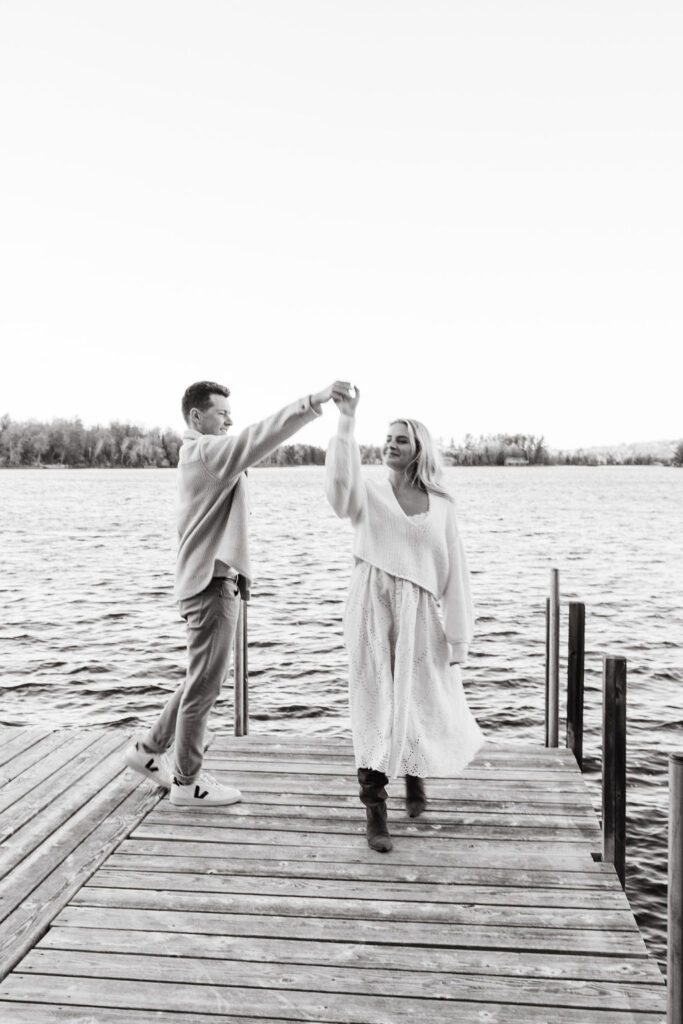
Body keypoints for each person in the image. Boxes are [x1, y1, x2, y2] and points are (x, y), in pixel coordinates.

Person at [126, 378, 351, 807]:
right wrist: (313, 401)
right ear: (196, 416)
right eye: (220, 411)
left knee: (201, 678)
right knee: (204, 687)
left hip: (206, 580)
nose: (230, 418)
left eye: (230, 411)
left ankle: (148, 750)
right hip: (211, 586)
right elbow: (261, 436)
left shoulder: (195, 455)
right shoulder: (208, 453)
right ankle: (188, 783)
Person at [325, 386, 484, 851]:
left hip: (420, 612)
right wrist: (346, 420)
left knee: (419, 696)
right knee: (374, 704)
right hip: (371, 606)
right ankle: (375, 809)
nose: (391, 445)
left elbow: (456, 575)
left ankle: (415, 771)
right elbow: (338, 494)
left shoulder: (443, 505)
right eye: (388, 438)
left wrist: (459, 639)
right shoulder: (367, 493)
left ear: (419, 450)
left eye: (401, 440)